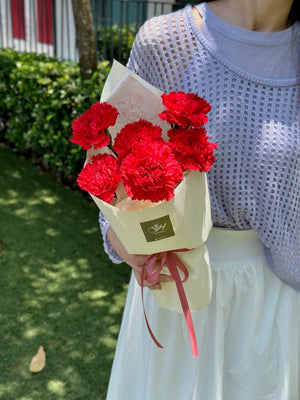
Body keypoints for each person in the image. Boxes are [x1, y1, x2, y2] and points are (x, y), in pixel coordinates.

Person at [98, 1, 300, 399]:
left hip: (279, 302)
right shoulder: (165, 43)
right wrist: (124, 236)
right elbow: (113, 164)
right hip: (179, 287)